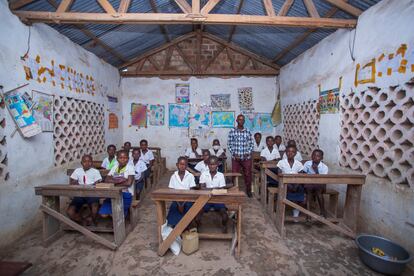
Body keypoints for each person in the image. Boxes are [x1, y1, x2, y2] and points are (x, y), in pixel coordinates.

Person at [67, 155, 102, 225]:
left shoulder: (95, 171)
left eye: (89, 161)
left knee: (94, 208)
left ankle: (92, 221)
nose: (87, 163)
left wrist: (95, 184)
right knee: (70, 212)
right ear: (81, 163)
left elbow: (98, 183)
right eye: (85, 161)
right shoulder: (77, 171)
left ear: (92, 163)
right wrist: (74, 182)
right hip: (80, 194)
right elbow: (72, 182)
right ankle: (83, 221)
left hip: (92, 194)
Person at [99, 150, 135, 218]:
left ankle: (119, 220)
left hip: (125, 194)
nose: (123, 160)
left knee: (117, 214)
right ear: (117, 159)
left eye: (125, 158)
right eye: (120, 158)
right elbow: (106, 180)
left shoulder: (130, 167)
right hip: (112, 193)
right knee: (103, 214)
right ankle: (115, 218)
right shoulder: (114, 167)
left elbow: (128, 183)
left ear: (128, 159)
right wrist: (121, 180)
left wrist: (113, 181)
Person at [199, 156, 229, 233]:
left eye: (214, 164)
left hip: (218, 199)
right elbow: (202, 188)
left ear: (217, 165)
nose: (212, 166)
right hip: (206, 199)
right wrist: (216, 189)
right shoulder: (204, 174)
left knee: (225, 215)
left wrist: (208, 189)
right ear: (208, 165)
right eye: (210, 164)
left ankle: (224, 226)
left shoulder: (220, 175)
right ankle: (198, 226)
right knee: (197, 214)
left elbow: (222, 189)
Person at [227, 114, 254, 197]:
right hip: (236, 158)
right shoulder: (232, 131)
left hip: (246, 158)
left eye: (242, 120)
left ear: (244, 121)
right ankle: (234, 190)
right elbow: (229, 144)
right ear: (236, 120)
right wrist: (234, 154)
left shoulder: (248, 131)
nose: (241, 121)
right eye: (239, 119)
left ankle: (248, 191)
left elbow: (251, 144)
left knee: (247, 174)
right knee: (234, 174)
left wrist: (248, 152)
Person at [166, 157, 197, 227]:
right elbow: (171, 192)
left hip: (188, 200)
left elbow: (191, 192)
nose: (183, 166)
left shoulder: (190, 176)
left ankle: (187, 226)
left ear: (187, 166)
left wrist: (183, 204)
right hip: (176, 200)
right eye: (181, 164)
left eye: (185, 165)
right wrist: (179, 204)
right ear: (177, 165)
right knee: (174, 207)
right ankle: (174, 227)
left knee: (189, 208)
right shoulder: (173, 176)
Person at [277, 145, 305, 218]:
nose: (290, 153)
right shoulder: (281, 162)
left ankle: (296, 210)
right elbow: (279, 174)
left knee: (300, 190)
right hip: (284, 183)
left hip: (296, 184)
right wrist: (288, 184)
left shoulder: (299, 163)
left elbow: (301, 175)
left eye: (293, 152)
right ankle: (283, 211)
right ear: (286, 153)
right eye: (288, 151)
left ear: (295, 153)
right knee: (287, 190)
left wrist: (296, 185)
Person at [303, 149, 329, 217]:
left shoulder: (324, 167)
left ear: (321, 158)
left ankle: (322, 211)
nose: (315, 157)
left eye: (318, 156)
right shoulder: (307, 163)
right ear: (311, 156)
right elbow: (303, 174)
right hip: (308, 184)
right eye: (314, 155)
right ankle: (308, 213)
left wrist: (316, 171)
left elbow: (322, 180)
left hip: (319, 185)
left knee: (319, 191)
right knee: (309, 190)